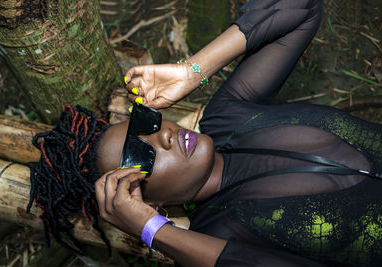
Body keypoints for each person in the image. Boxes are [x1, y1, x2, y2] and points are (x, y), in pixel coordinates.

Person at [28, 0, 382, 266]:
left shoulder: (227, 116)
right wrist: (154, 231)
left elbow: (302, 8)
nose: (164, 136)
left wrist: (192, 71)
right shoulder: (217, 234)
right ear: (146, 202)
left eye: (146, 125)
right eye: (142, 156)